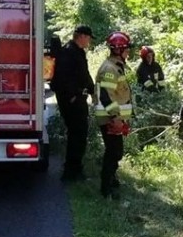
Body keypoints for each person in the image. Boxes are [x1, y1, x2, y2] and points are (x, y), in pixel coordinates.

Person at [52, 25, 95, 182]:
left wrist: (92, 89)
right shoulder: (68, 52)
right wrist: (72, 97)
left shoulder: (76, 52)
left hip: (77, 99)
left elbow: (84, 75)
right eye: (89, 37)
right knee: (77, 134)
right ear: (81, 36)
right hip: (72, 101)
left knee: (79, 134)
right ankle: (71, 172)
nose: (89, 41)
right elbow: (62, 78)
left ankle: (75, 168)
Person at [94, 31, 134, 198]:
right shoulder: (110, 69)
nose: (128, 52)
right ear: (118, 50)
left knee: (115, 151)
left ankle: (112, 180)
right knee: (114, 152)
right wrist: (115, 118)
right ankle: (106, 189)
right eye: (126, 49)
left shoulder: (117, 66)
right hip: (110, 117)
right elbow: (105, 94)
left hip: (115, 116)